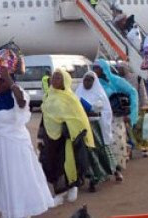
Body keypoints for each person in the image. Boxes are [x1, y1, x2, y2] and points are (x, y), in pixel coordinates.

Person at [0, 66, 54, 217]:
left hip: (14, 148)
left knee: (17, 181)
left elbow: (22, 103)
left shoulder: (17, 94)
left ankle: (21, 213)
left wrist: (9, 81)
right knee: (5, 182)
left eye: (2, 81)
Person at [41, 68, 94, 205]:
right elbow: (45, 116)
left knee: (68, 163)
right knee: (52, 164)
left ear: (65, 81)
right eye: (53, 77)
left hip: (67, 137)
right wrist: (41, 135)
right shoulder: (48, 95)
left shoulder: (70, 98)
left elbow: (78, 118)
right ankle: (60, 191)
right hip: (50, 137)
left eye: (58, 78)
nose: (54, 80)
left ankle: (70, 187)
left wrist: (73, 132)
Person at [93, 59, 138, 182]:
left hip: (116, 118)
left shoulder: (116, 81)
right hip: (100, 119)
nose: (95, 71)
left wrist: (132, 113)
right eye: (94, 68)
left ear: (104, 69)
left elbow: (132, 92)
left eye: (98, 68)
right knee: (102, 145)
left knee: (116, 144)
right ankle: (105, 171)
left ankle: (117, 170)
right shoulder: (95, 83)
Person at [75, 71, 117, 192]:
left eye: (89, 80)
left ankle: (110, 172)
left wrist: (91, 112)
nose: (87, 82)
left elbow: (105, 112)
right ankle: (93, 177)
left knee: (99, 151)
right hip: (82, 127)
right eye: (85, 80)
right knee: (86, 153)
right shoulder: (78, 93)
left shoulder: (99, 95)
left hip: (95, 128)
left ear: (94, 82)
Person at [116, 61, 148, 157]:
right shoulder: (117, 80)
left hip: (138, 107)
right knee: (128, 131)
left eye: (121, 69)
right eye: (118, 69)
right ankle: (129, 150)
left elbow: (142, 92)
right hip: (125, 109)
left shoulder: (137, 78)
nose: (119, 71)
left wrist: (145, 105)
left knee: (140, 129)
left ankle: (145, 148)